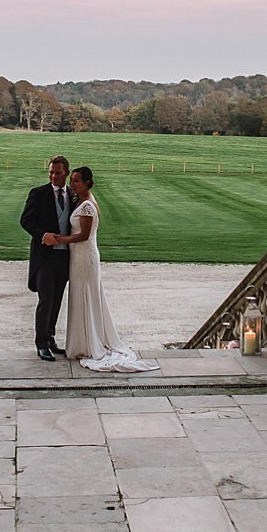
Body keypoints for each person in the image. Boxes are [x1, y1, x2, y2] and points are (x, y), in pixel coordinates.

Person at [42, 165, 158, 373]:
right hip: (79, 257)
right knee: (80, 297)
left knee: (85, 296)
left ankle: (87, 344)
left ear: (87, 182)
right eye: (73, 180)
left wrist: (58, 240)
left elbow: (83, 235)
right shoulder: (82, 200)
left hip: (84, 257)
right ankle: (83, 342)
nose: (72, 184)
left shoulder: (87, 206)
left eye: (77, 180)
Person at [20, 155, 72, 360]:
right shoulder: (38, 193)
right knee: (45, 299)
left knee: (57, 299)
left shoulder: (73, 195)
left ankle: (50, 338)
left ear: (66, 173)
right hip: (44, 257)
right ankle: (41, 343)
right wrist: (43, 236)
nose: (53, 176)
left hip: (65, 257)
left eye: (57, 173)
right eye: (51, 172)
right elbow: (26, 221)